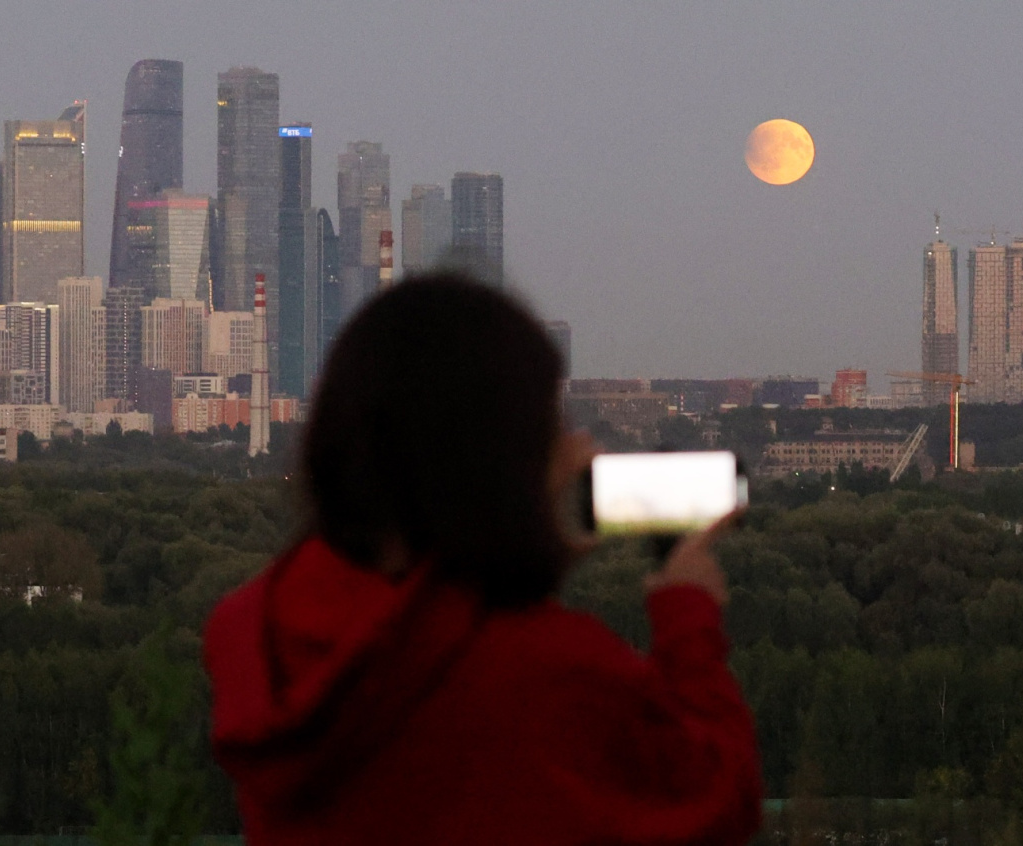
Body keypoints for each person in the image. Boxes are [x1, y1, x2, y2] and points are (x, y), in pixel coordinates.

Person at [204, 271, 763, 845]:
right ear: (500, 455)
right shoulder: (550, 669)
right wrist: (687, 615)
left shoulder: (262, 637)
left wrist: (516, 564)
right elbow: (716, 797)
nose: (579, 446)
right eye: (554, 422)